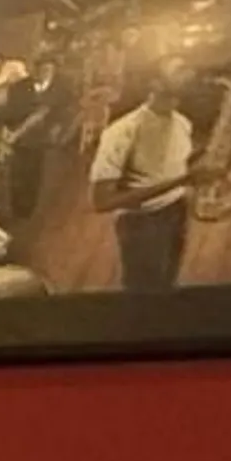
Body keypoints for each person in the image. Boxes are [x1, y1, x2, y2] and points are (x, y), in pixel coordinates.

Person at [88, 58, 203, 291]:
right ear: (155, 83)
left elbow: (169, 166)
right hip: (142, 225)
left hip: (177, 212)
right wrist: (183, 180)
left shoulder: (182, 123)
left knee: (167, 286)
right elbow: (102, 201)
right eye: (179, 69)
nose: (189, 72)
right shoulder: (121, 131)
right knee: (144, 293)